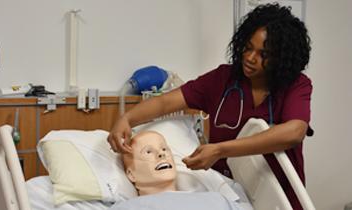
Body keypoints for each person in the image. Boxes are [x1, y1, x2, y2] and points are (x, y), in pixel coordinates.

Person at [108, 3, 312, 210]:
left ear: (281, 58)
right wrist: (126, 119)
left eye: (263, 54)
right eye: (248, 48)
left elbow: (294, 132)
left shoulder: (296, 85)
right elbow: (165, 102)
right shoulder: (222, 79)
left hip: (280, 197)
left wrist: (220, 150)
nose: (250, 58)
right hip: (230, 195)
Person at [115, 130, 249, 210]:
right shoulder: (127, 208)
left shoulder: (218, 200)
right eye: (148, 152)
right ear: (131, 174)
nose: (161, 154)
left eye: (164, 149)